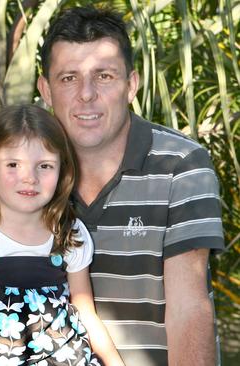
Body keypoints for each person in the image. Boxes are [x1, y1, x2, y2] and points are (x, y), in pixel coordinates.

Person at [36, 6, 225, 366]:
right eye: (68, 78)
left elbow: (189, 308)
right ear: (46, 89)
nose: (86, 94)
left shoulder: (180, 165)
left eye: (104, 76)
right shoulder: (25, 173)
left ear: (131, 84)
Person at [0, 104, 123, 365]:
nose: (29, 177)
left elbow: (86, 311)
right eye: (13, 164)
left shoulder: (69, 233)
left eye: (44, 166)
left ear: (61, 172)